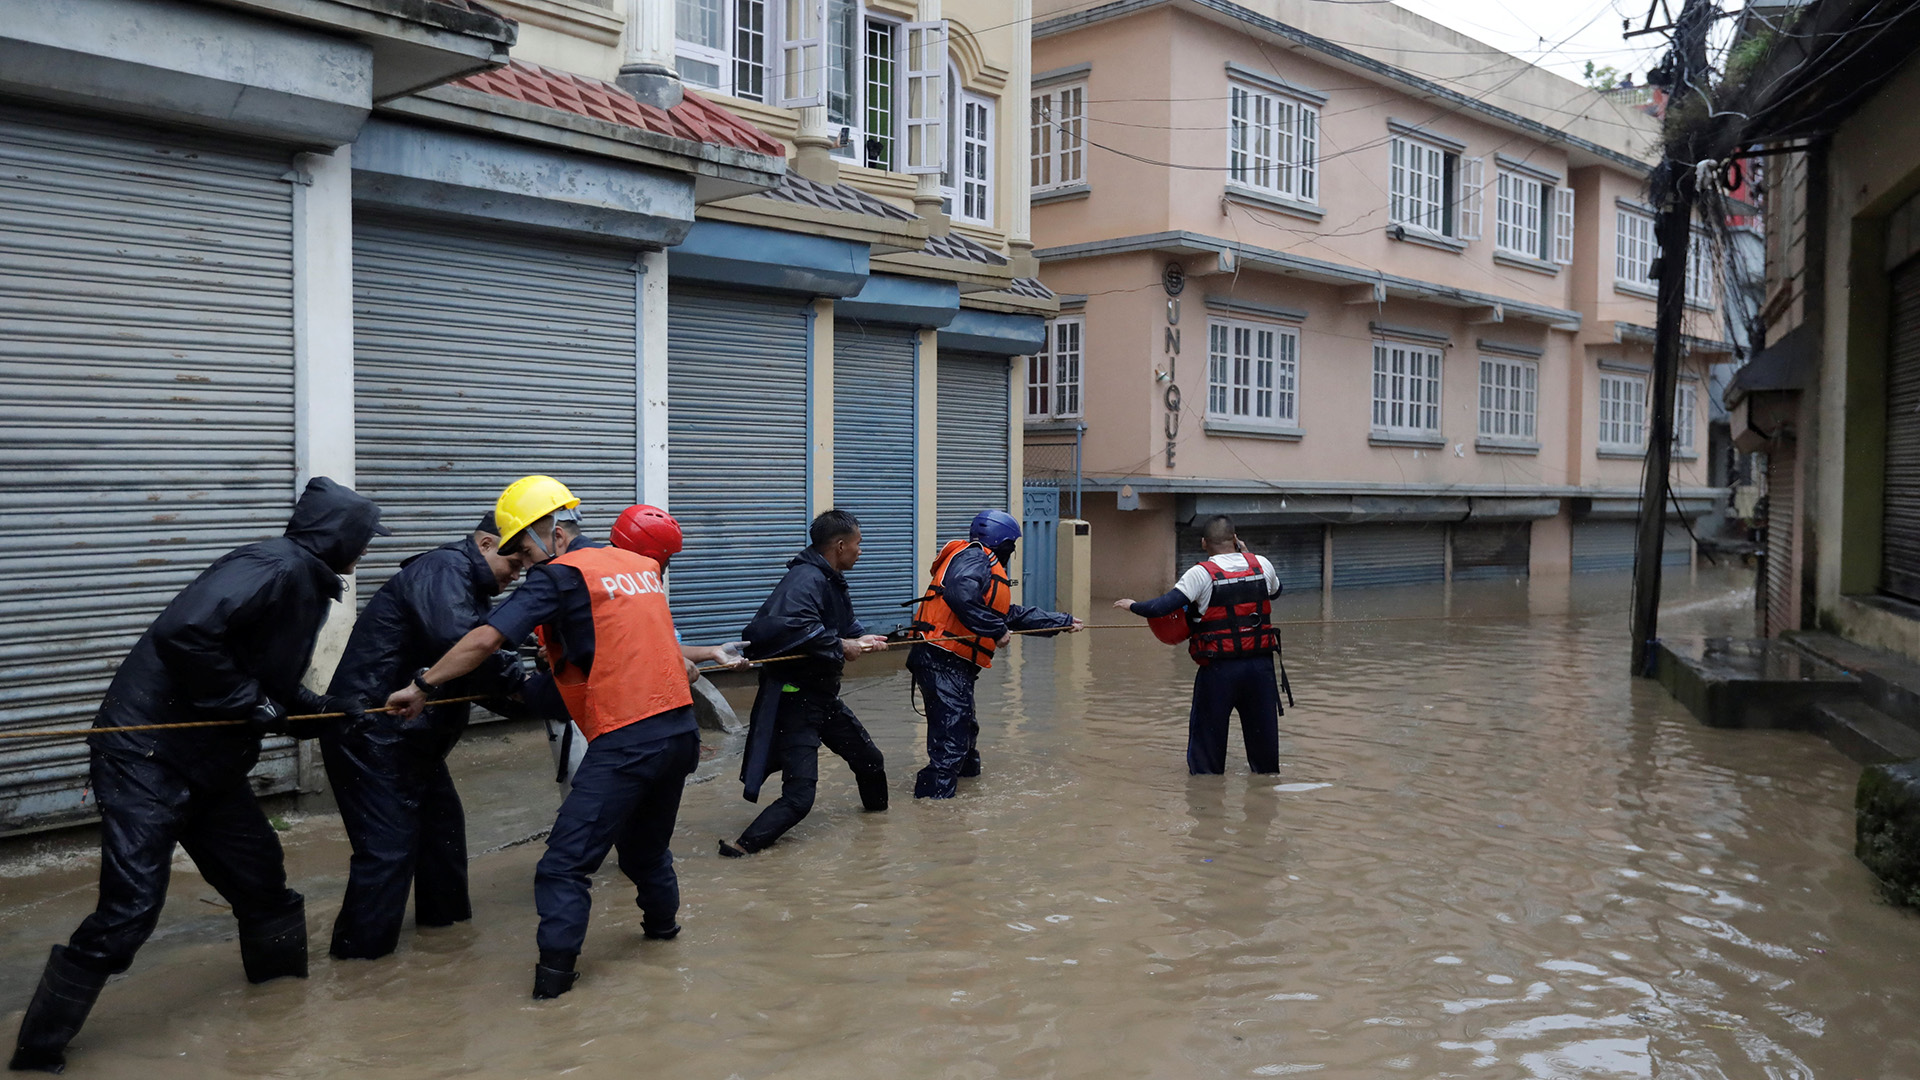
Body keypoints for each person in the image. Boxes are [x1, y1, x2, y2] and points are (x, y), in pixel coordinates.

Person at [11, 478, 388, 1074]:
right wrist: (248, 701)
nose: (365, 553)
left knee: (264, 886)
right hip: (145, 758)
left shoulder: (306, 582)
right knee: (130, 910)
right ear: (340, 538)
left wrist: (328, 712)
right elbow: (185, 633)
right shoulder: (273, 565)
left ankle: (281, 1016)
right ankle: (36, 1054)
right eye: (364, 541)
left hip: (210, 767)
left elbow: (270, 678)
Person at [385, 480, 701, 1001]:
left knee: (562, 867)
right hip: (679, 733)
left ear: (549, 532)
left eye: (524, 549)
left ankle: (551, 993)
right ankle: (664, 941)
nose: (523, 563)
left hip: (628, 741)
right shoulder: (634, 567)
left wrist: (422, 686)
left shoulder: (558, 576)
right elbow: (612, 655)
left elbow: (485, 639)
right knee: (646, 852)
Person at [318, 510, 539, 961]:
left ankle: (447, 941)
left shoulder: (470, 588)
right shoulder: (444, 570)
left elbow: (470, 676)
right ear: (484, 545)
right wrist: (523, 687)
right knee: (387, 851)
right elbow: (458, 642)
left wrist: (530, 698)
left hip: (412, 740)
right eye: (513, 565)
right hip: (372, 734)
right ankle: (360, 964)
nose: (515, 577)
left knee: (443, 839)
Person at [720, 509, 890, 857]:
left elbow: (840, 624)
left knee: (871, 761)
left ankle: (878, 834)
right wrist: (841, 645)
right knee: (800, 799)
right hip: (795, 702)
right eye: (858, 544)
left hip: (823, 697)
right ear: (840, 546)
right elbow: (787, 626)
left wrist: (863, 639)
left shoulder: (829, 577)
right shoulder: (805, 579)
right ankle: (739, 849)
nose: (861, 551)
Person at [907, 509, 1081, 799]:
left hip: (951, 663)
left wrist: (1061, 621)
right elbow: (959, 594)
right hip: (940, 659)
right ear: (1003, 544)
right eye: (1011, 547)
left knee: (965, 734)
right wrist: (995, 630)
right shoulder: (976, 558)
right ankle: (935, 818)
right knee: (951, 741)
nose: (1011, 554)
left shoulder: (981, 565)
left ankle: (962, 802)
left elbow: (1008, 613)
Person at [1113, 514, 1285, 776]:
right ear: (1236, 539)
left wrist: (1132, 606)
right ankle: (1264, 799)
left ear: (1204, 543)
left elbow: (1163, 607)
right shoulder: (1262, 564)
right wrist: (1249, 556)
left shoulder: (1200, 573)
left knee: (1206, 750)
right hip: (1261, 669)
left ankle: (1206, 805)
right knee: (1265, 755)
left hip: (1219, 672)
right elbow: (1276, 591)